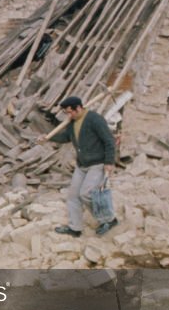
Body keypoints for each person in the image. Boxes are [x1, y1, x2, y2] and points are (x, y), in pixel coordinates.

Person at [49, 96, 119, 237]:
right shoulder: (72, 122)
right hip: (82, 165)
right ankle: (75, 228)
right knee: (73, 196)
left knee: (86, 194)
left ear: (78, 108)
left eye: (70, 112)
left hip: (97, 164)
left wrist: (109, 162)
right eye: (67, 113)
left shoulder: (95, 120)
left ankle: (109, 219)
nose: (69, 115)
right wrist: (48, 137)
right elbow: (66, 137)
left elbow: (109, 141)